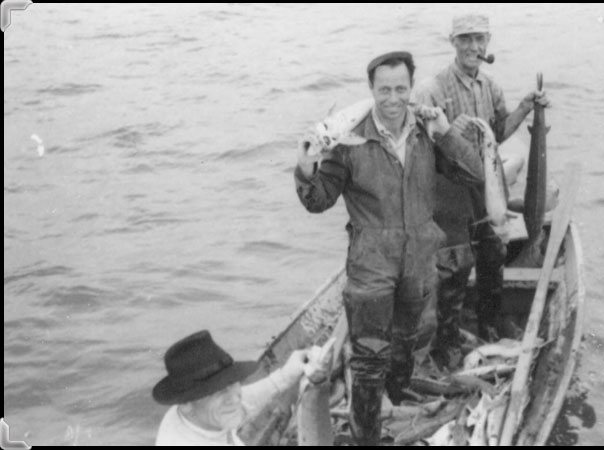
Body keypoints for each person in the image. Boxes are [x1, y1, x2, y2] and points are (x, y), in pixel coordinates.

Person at [295, 51, 484, 445]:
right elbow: (317, 200)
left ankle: (390, 405)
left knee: (404, 350)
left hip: (418, 263)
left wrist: (447, 132)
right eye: (384, 90)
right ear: (371, 89)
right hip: (370, 266)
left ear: (411, 87)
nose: (393, 99)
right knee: (367, 360)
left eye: (401, 89)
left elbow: (473, 173)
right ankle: (367, 439)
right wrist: (306, 166)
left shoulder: (426, 133)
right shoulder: (348, 139)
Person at [412, 14, 550, 366]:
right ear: (453, 42)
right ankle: (447, 343)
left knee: (493, 255)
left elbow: (499, 130)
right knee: (454, 268)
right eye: (466, 39)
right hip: (451, 192)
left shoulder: (490, 86)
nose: (474, 47)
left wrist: (526, 106)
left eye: (480, 39)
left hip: (488, 185)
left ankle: (489, 325)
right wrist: (446, 132)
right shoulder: (433, 88)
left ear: (488, 43)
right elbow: (419, 146)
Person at [153, 330, 316, 446]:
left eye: (232, 382)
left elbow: (244, 400)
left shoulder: (189, 416)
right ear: (186, 404)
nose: (235, 397)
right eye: (218, 391)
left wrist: (285, 376)